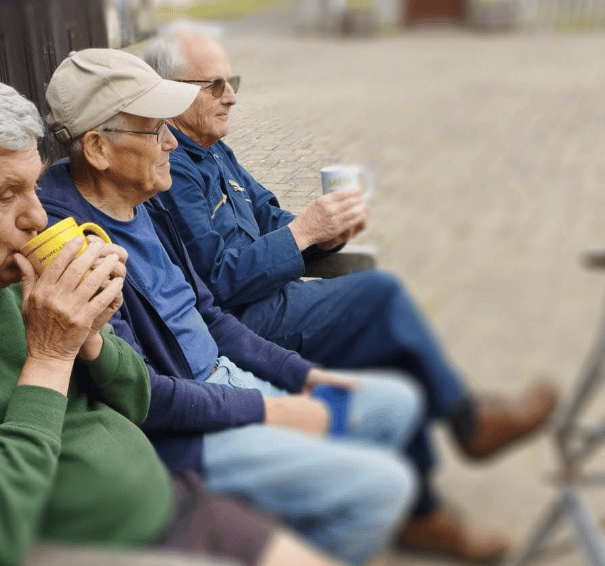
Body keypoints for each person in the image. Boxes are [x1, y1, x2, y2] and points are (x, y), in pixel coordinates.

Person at [0, 64, 346, 566]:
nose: (38, 216)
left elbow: (135, 395)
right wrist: (49, 355)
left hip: (177, 502)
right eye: (6, 194)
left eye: (35, 185)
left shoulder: (0, 275)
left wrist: (92, 338)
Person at [141, 23, 559, 562]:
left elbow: (270, 215)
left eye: (232, 80)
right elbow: (216, 281)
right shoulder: (168, 165)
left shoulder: (215, 149)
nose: (231, 95)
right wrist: (303, 235)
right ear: (168, 92)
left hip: (273, 301)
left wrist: (324, 232)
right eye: (214, 84)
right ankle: (467, 426)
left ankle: (424, 509)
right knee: (379, 297)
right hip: (243, 326)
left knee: (394, 347)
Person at [38, 47, 433, 566]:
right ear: (98, 147)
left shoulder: (144, 200)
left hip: (234, 384)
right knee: (383, 487)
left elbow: (211, 314)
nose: (171, 141)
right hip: (191, 433)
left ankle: (295, 516)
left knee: (393, 404)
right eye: (154, 129)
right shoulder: (73, 246)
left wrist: (303, 375)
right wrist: (271, 409)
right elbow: (145, 398)